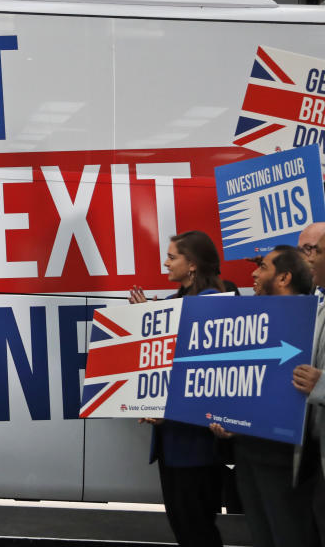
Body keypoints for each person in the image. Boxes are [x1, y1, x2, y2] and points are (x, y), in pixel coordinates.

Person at [209, 246, 317, 547]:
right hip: (248, 454)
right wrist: (228, 424)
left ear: (283, 277)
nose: (254, 274)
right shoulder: (249, 321)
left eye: (263, 267)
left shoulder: (311, 320)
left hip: (286, 461)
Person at [128, 230, 227, 547]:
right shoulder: (172, 303)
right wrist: (146, 322)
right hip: (171, 444)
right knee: (184, 528)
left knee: (197, 530)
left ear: (193, 265)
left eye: (172, 257)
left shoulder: (214, 305)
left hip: (196, 446)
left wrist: (166, 413)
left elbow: (208, 378)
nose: (166, 262)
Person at [293, 230, 325, 545]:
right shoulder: (311, 304)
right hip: (308, 455)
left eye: (311, 249)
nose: (307, 258)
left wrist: (322, 384)